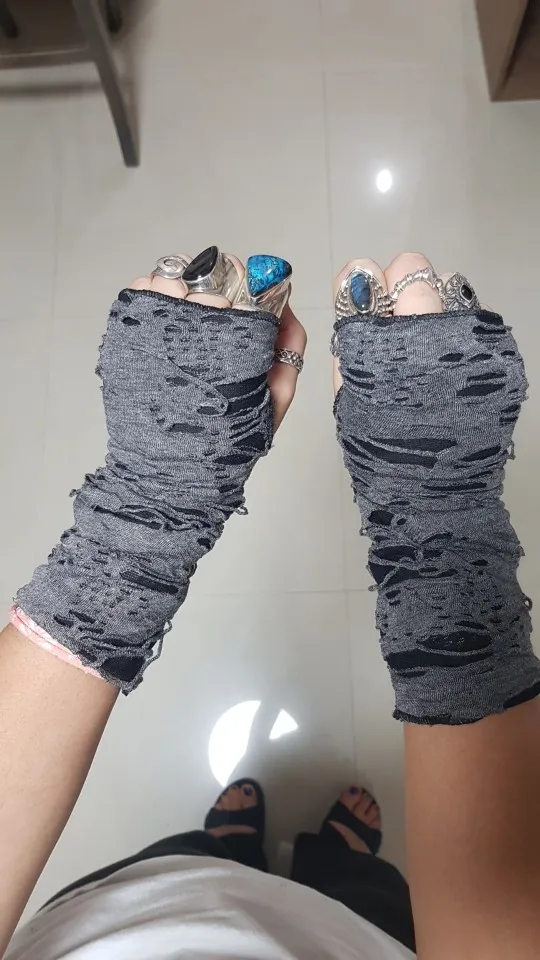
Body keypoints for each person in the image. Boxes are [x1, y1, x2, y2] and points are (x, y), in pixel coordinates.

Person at [2, 249, 540, 960]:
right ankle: (337, 857)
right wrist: (439, 523)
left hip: (141, 910)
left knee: (196, 863)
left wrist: (146, 511)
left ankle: (227, 844)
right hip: (360, 938)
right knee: (355, 886)